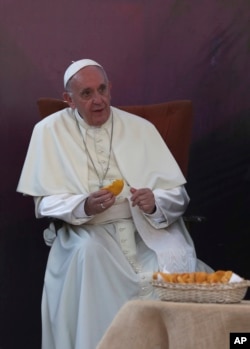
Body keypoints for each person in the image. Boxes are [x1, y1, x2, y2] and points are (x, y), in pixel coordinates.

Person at [17, 59, 212, 349]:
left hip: (144, 231)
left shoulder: (141, 129)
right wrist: (83, 205)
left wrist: (154, 202)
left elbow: (178, 196)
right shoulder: (48, 132)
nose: (98, 101)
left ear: (111, 89)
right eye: (86, 94)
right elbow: (44, 203)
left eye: (102, 89)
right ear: (68, 99)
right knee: (88, 255)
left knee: (175, 269)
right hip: (89, 232)